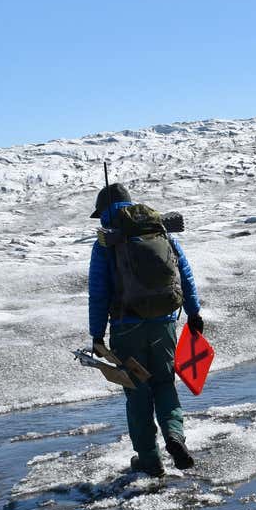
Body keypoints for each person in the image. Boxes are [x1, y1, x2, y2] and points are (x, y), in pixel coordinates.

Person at [88, 182, 204, 477]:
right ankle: (174, 436)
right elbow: (184, 273)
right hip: (165, 323)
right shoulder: (158, 230)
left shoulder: (106, 242)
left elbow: (99, 292)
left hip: (127, 328)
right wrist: (193, 312)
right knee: (165, 384)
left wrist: (97, 334)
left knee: (137, 392)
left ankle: (150, 460)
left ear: (103, 211)